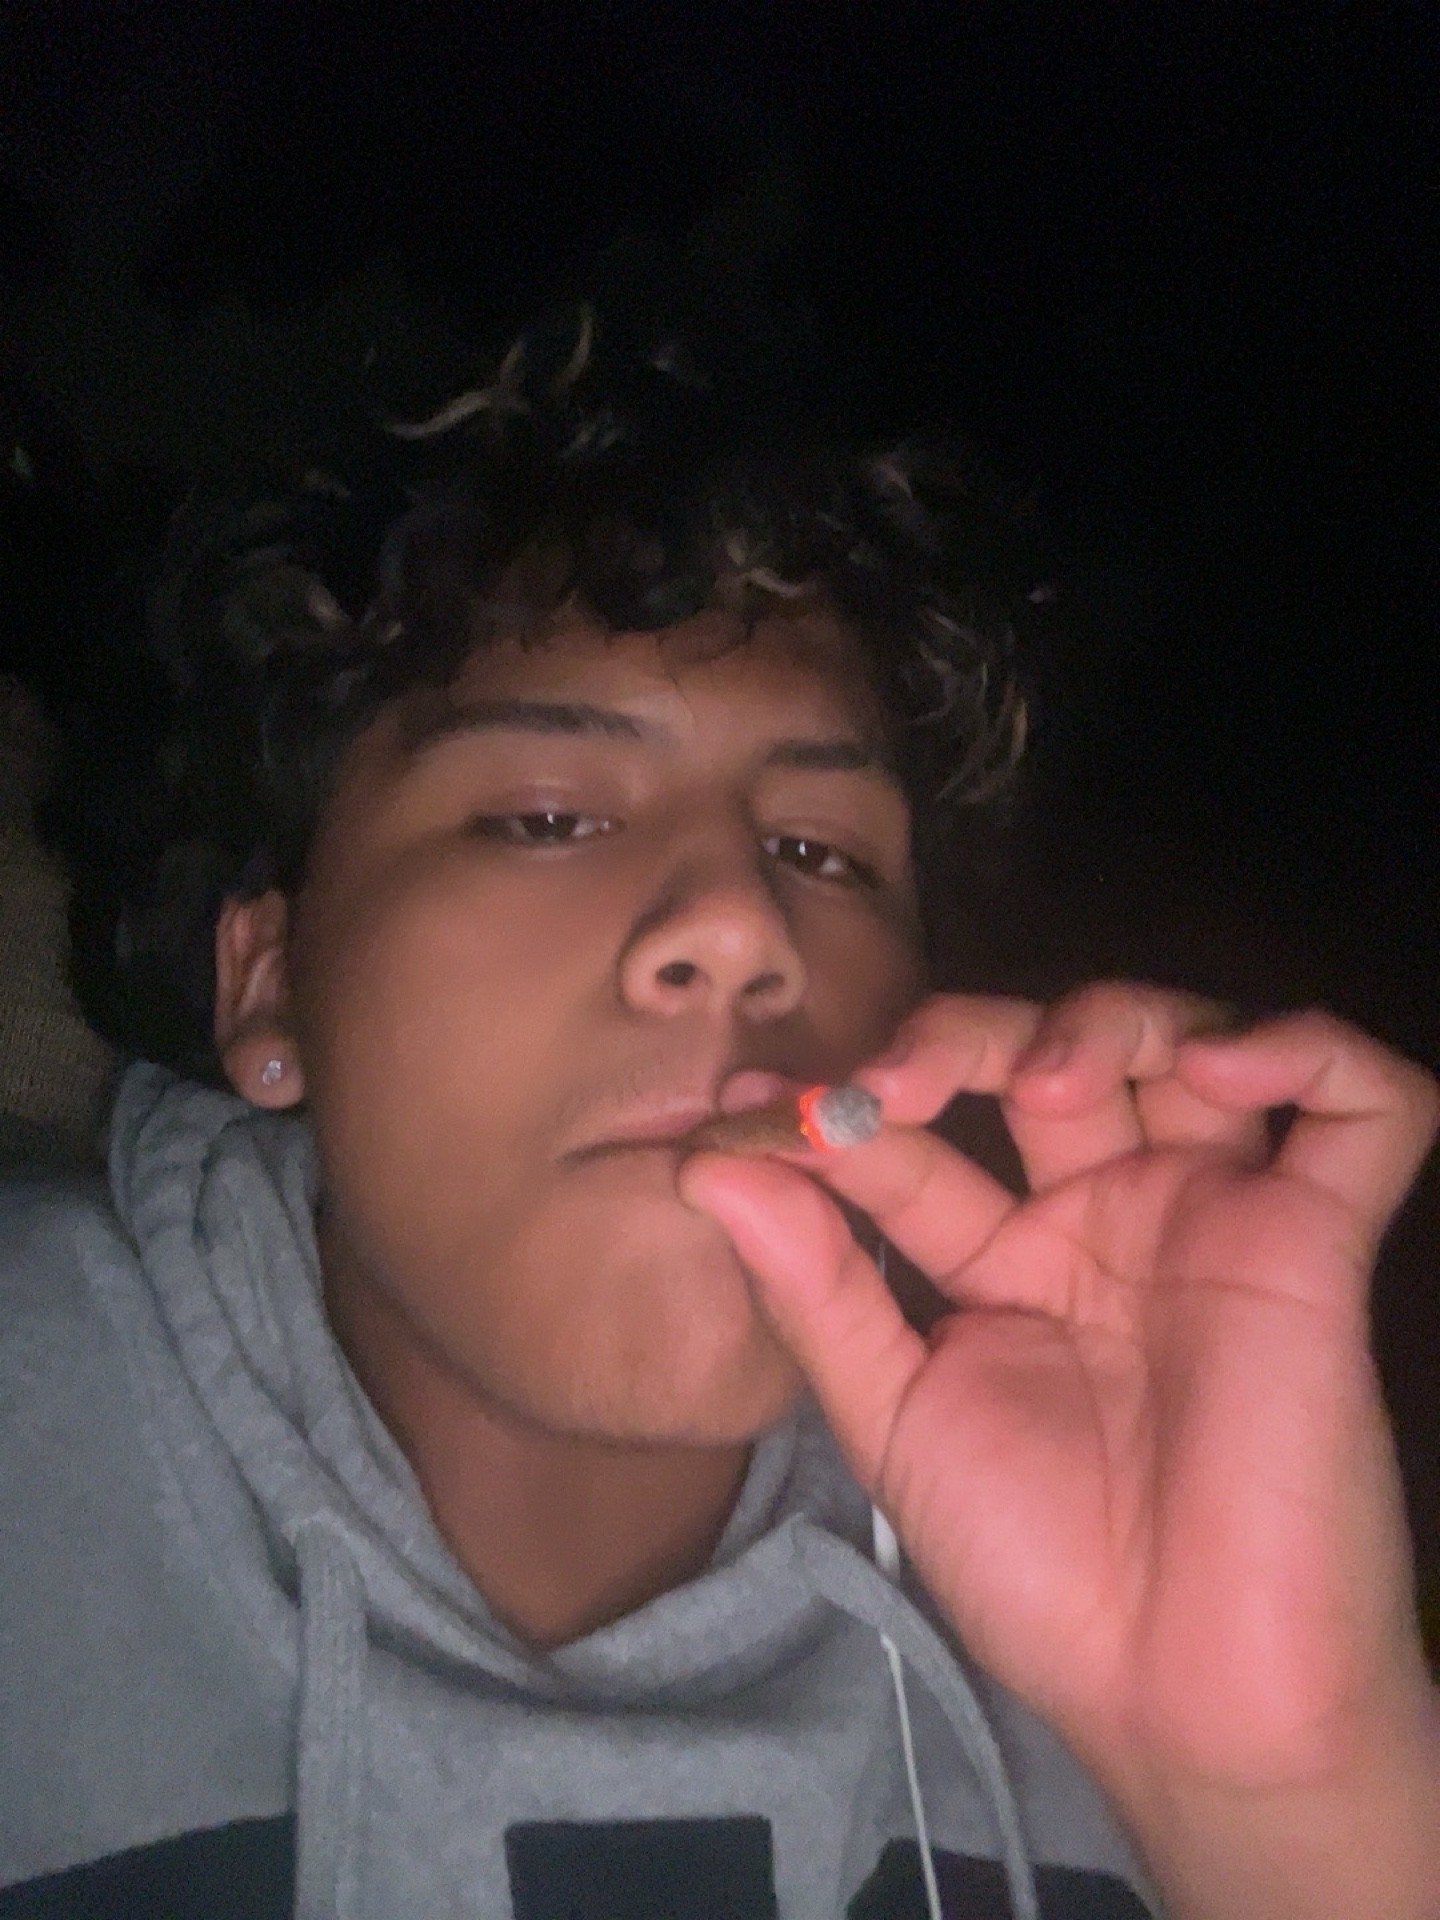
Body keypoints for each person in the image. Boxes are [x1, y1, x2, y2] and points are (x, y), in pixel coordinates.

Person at [1, 307, 1436, 1920]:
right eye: (547, 816)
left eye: (823, 853)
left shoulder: (1098, 1562)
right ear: (268, 983)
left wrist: (1291, 1804)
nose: (745, 928)